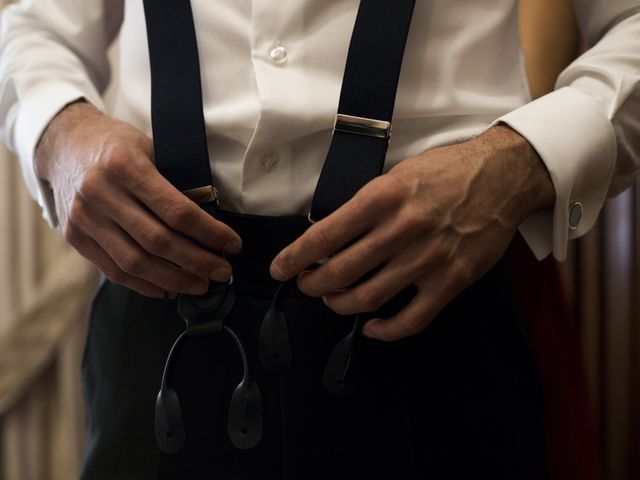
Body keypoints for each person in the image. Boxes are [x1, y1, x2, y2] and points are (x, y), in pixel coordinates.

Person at [0, 0, 638, 478]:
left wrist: (518, 163)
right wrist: (60, 131)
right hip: (159, 328)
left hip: (434, 318)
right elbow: (34, 24)